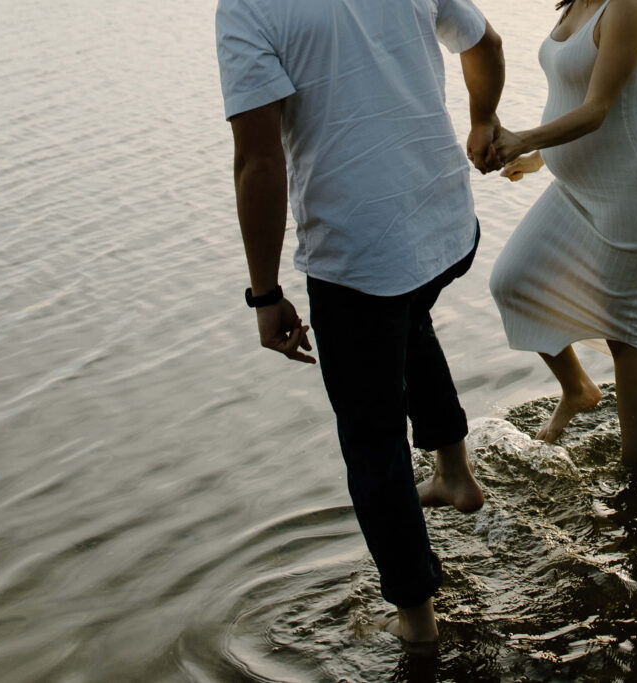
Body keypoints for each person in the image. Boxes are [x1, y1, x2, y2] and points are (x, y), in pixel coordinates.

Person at [215, 0, 505, 644]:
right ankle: (455, 474)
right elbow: (485, 44)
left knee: (372, 441)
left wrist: (264, 295)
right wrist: (483, 121)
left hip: (358, 252)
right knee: (407, 315)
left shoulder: (247, 9)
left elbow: (259, 162)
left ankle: (415, 621)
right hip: (447, 225)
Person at [489, 0, 637, 472]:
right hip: (579, 187)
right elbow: (572, 91)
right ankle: (578, 390)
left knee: (627, 331)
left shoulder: (626, 8)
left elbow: (598, 110)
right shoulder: (579, 2)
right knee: (513, 281)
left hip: (634, 193)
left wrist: (525, 140)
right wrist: (542, 158)